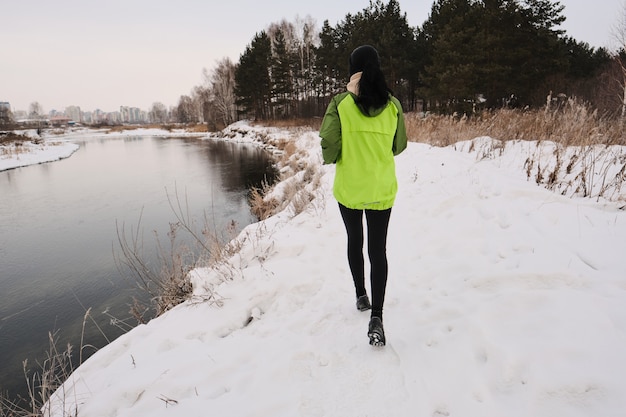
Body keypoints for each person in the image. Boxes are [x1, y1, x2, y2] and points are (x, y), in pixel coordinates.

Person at [319, 45, 407, 347]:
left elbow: (329, 142)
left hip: (350, 189)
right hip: (381, 188)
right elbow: (399, 145)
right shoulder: (393, 103)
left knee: (354, 240)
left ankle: (360, 295)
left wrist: (337, 156)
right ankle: (378, 316)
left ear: (352, 69)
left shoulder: (340, 103)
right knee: (378, 250)